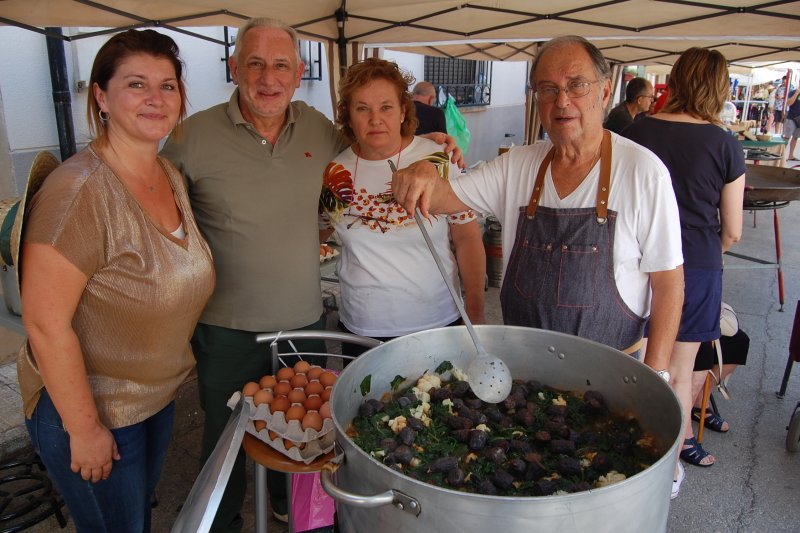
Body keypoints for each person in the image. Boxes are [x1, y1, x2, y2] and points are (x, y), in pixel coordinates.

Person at [161, 17, 462, 531]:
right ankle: (222, 520)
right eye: (255, 63)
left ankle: (285, 505)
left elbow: (375, 144)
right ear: (235, 68)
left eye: (281, 64)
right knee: (226, 434)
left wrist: (432, 150)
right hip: (225, 325)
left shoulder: (320, 134)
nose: (268, 77)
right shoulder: (191, 137)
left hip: (304, 319)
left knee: (298, 434)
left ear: (300, 72)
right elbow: (161, 218)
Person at [393, 35, 684, 399]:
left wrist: (654, 377)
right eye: (547, 89)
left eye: (576, 85)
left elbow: (669, 282)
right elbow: (440, 197)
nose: (562, 101)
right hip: (523, 382)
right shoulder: (518, 164)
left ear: (605, 92)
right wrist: (427, 162)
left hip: (612, 384)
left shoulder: (643, 171)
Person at [17, 29, 215, 532]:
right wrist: (84, 430)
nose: (155, 99)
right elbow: (44, 325)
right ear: (101, 97)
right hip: (92, 411)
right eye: (136, 84)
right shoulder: (78, 193)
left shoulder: (168, 174)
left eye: (167, 86)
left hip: (155, 398)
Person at [623, 48, 745, 493]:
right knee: (676, 373)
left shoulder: (638, 131)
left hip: (635, 263)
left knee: (632, 363)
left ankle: (628, 459)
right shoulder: (725, 144)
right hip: (695, 264)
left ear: (673, 80)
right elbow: (732, 229)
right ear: (720, 88)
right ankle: (667, 471)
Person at [320, 59, 485, 356]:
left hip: (438, 321)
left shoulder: (438, 158)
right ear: (348, 116)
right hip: (362, 328)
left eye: (386, 107)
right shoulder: (335, 172)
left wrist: (475, 310)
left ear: (402, 111)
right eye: (362, 108)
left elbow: (467, 237)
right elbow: (320, 231)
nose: (375, 119)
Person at [782, 83, 800, 160]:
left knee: (795, 137)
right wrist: (796, 93)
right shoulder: (793, 92)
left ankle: (791, 155)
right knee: (787, 137)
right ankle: (782, 155)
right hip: (791, 117)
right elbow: (789, 103)